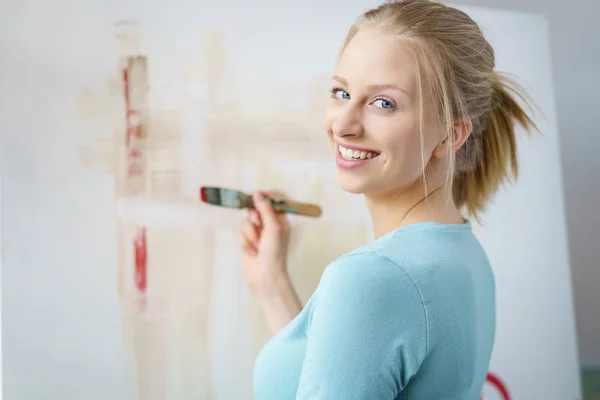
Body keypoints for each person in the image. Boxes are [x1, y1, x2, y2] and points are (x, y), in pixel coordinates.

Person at [238, 0, 536, 398]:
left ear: (450, 134)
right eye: (341, 92)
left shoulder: (373, 278)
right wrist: (271, 284)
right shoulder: (464, 255)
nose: (343, 125)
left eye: (384, 103)